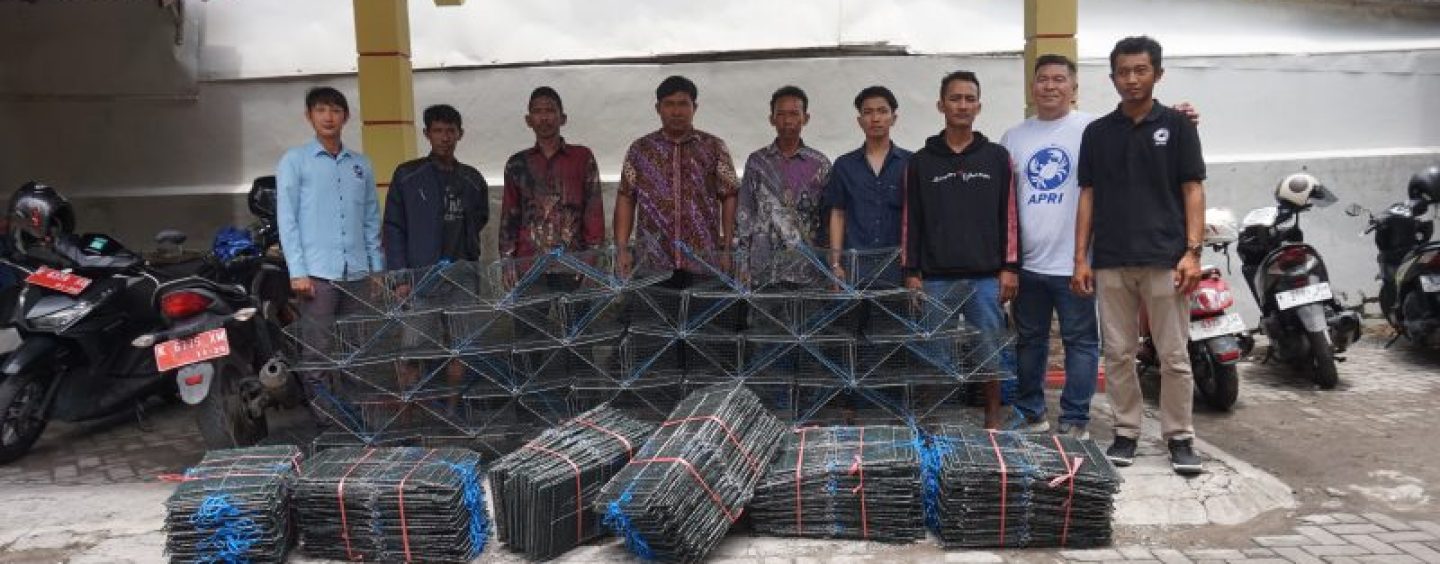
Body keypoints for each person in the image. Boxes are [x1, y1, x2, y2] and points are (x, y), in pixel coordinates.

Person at [1073, 36, 1208, 475]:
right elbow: (1088, 196)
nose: (1131, 79)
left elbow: (1193, 189)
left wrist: (1192, 252)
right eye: (1123, 72)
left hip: (1166, 259)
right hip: (1111, 260)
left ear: (1157, 74)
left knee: (1173, 355)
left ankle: (1180, 437)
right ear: (1112, 77)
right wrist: (1081, 258)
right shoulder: (1097, 133)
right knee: (1117, 353)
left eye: (1140, 70)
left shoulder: (1179, 126)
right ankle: (1126, 431)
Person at [900, 70, 1019, 430]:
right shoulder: (921, 162)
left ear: (979, 106)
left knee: (990, 349)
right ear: (941, 105)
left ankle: (993, 415)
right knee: (933, 351)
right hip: (935, 278)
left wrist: (1010, 266)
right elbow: (911, 221)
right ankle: (932, 419)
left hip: (986, 277)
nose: (962, 105)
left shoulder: (997, 158)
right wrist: (911, 272)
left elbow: (1010, 215)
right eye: (955, 98)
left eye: (969, 99)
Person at [1000, 54, 1100, 439]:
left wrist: (1183, 115)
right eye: (1043, 79)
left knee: (1081, 342)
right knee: (1029, 342)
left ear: (1074, 88)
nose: (1050, 85)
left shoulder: (1092, 128)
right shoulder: (1014, 137)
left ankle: (1075, 420)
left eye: (1060, 79)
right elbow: (1007, 202)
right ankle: (1030, 413)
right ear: (1032, 87)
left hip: (1077, 263)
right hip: (1027, 265)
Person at [276, 87, 383, 422]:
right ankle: (327, 420)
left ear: (346, 117)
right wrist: (298, 270)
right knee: (318, 352)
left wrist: (376, 268)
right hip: (317, 275)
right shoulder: (295, 161)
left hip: (357, 274)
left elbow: (370, 219)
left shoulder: (360, 165)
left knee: (358, 350)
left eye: (335, 110)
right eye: (321, 110)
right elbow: (287, 219)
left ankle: (357, 417)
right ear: (309, 116)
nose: (328, 117)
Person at [382, 103, 489, 413]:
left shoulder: (471, 179)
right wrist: (400, 277)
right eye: (438, 131)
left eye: (451, 131)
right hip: (420, 277)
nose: (445, 138)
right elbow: (394, 227)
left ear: (460, 135)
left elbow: (479, 217)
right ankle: (411, 414)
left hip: (462, 276)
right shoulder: (407, 175)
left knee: (461, 348)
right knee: (411, 349)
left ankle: (452, 411)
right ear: (426, 133)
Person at [613, 75, 739, 286]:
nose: (676, 111)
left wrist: (727, 248)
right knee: (654, 319)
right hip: (653, 261)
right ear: (658, 108)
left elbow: (729, 196)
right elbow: (626, 197)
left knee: (703, 318)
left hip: (702, 260)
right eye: (669, 104)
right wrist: (622, 249)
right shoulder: (640, 149)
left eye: (683, 104)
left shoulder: (714, 147)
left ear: (694, 107)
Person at [499, 86, 604, 292]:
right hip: (528, 265)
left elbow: (593, 210)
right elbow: (509, 215)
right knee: (530, 324)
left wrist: (592, 259)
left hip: (574, 264)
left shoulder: (582, 158)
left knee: (575, 324)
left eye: (550, 111)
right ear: (529, 120)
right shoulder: (517, 163)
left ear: (562, 118)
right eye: (537, 112)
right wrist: (507, 261)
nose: (544, 118)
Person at [737, 85, 832, 285]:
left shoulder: (820, 164)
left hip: (808, 268)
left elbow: (828, 220)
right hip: (763, 269)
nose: (787, 120)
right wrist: (742, 265)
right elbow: (745, 213)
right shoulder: (757, 162)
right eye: (780, 114)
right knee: (764, 317)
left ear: (806, 118)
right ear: (771, 119)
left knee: (808, 317)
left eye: (794, 114)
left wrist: (831, 265)